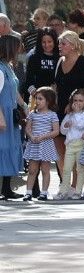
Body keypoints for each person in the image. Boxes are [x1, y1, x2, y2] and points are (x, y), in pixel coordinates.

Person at [23, 87, 61, 200]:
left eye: (40, 99)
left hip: (46, 145)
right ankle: (28, 192)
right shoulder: (32, 114)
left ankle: (44, 192)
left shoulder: (52, 115)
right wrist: (32, 136)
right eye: (36, 98)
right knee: (32, 170)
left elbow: (56, 131)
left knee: (45, 170)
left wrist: (43, 137)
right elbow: (28, 128)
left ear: (48, 101)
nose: (37, 101)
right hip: (34, 144)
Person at [0, 33, 25, 200]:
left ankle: (6, 188)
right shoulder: (0, 69)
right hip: (3, 114)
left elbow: (14, 91)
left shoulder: (7, 66)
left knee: (10, 148)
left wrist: (24, 107)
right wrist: (1, 118)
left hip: (11, 114)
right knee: (3, 148)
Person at [58, 89, 84, 199]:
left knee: (80, 169)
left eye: (80, 100)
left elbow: (81, 126)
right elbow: (62, 130)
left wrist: (74, 116)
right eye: (75, 100)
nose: (77, 103)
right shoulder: (69, 114)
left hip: (81, 144)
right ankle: (63, 191)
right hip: (70, 144)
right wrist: (66, 124)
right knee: (66, 168)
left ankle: (78, 191)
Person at [53, 30, 84, 118]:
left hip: (78, 111)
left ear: (73, 46)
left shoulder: (83, 62)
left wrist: (72, 104)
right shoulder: (60, 60)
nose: (59, 46)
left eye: (63, 44)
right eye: (59, 44)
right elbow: (56, 85)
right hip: (60, 108)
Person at [25, 29, 59, 94]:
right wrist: (35, 93)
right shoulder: (34, 58)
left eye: (49, 42)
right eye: (44, 42)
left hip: (55, 97)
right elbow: (28, 81)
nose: (46, 45)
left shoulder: (60, 58)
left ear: (55, 41)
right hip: (37, 97)